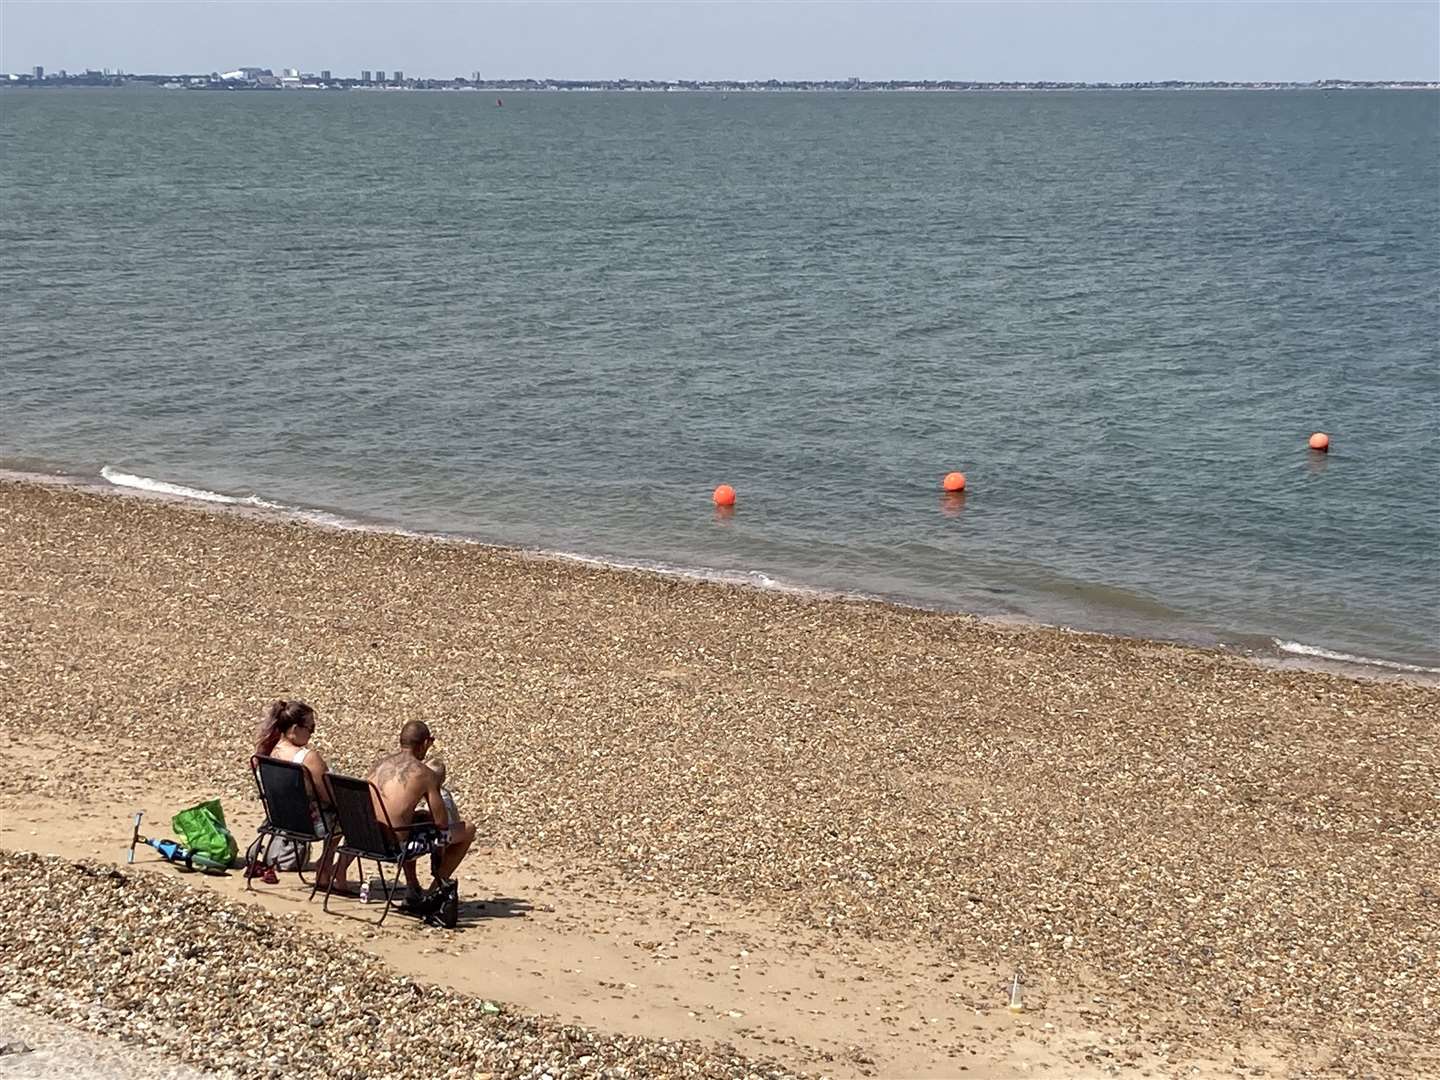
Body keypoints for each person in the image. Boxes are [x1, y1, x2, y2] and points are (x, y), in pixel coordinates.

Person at [368, 720, 476, 921]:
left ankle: (413, 886)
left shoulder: (378, 765)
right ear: (426, 743)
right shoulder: (424, 773)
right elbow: (442, 823)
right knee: (467, 829)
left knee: (414, 821)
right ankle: (434, 891)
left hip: (367, 839)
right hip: (396, 847)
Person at [253, 698, 354, 893]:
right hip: (311, 826)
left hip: (281, 821)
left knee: (337, 814)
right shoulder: (307, 758)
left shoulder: (266, 755)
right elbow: (329, 797)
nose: (312, 733)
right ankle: (332, 870)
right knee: (355, 817)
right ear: (294, 728)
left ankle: (325, 868)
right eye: (310, 728)